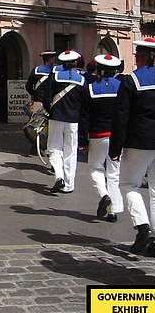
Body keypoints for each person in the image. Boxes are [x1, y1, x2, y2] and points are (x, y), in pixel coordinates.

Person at [110, 37, 155, 255]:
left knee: (128, 184)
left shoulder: (131, 81)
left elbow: (121, 117)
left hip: (140, 140)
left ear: (144, 57)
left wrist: (115, 148)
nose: (135, 58)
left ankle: (143, 228)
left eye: (137, 55)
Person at [79, 54, 124, 222]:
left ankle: (104, 195)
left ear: (98, 70)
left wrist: (83, 141)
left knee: (96, 168)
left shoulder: (90, 88)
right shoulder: (122, 87)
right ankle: (114, 211)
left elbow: (84, 118)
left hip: (97, 135)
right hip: (116, 136)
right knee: (114, 172)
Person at [43, 49, 87, 194]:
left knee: (54, 148)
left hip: (56, 117)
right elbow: (84, 102)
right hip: (73, 120)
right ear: (75, 63)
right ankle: (69, 184)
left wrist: (49, 109)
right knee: (71, 152)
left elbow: (46, 96)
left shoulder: (54, 75)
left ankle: (58, 176)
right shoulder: (81, 80)